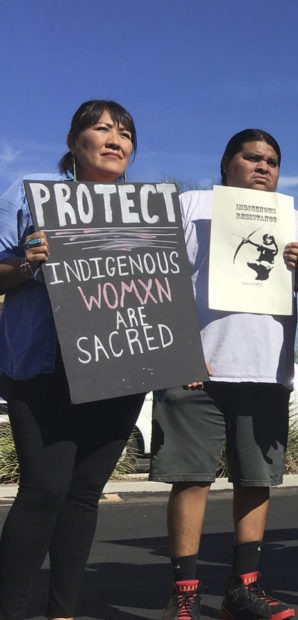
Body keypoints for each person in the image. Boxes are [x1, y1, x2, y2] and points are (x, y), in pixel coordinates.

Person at [149, 129, 298, 620]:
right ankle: (182, 593)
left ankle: (242, 590)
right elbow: (158, 276)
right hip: (196, 368)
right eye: (252, 158)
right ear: (227, 163)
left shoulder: (292, 218)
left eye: (272, 161)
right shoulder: (191, 205)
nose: (263, 167)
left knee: (255, 479)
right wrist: (179, 351)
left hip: (264, 369)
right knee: (190, 479)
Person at [0, 99, 147, 620]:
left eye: (126, 133)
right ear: (73, 141)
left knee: (84, 494)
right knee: (44, 489)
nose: (116, 138)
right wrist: (24, 265)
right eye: (102, 128)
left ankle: (62, 613)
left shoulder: (145, 212)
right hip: (45, 366)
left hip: (122, 368)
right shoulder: (31, 192)